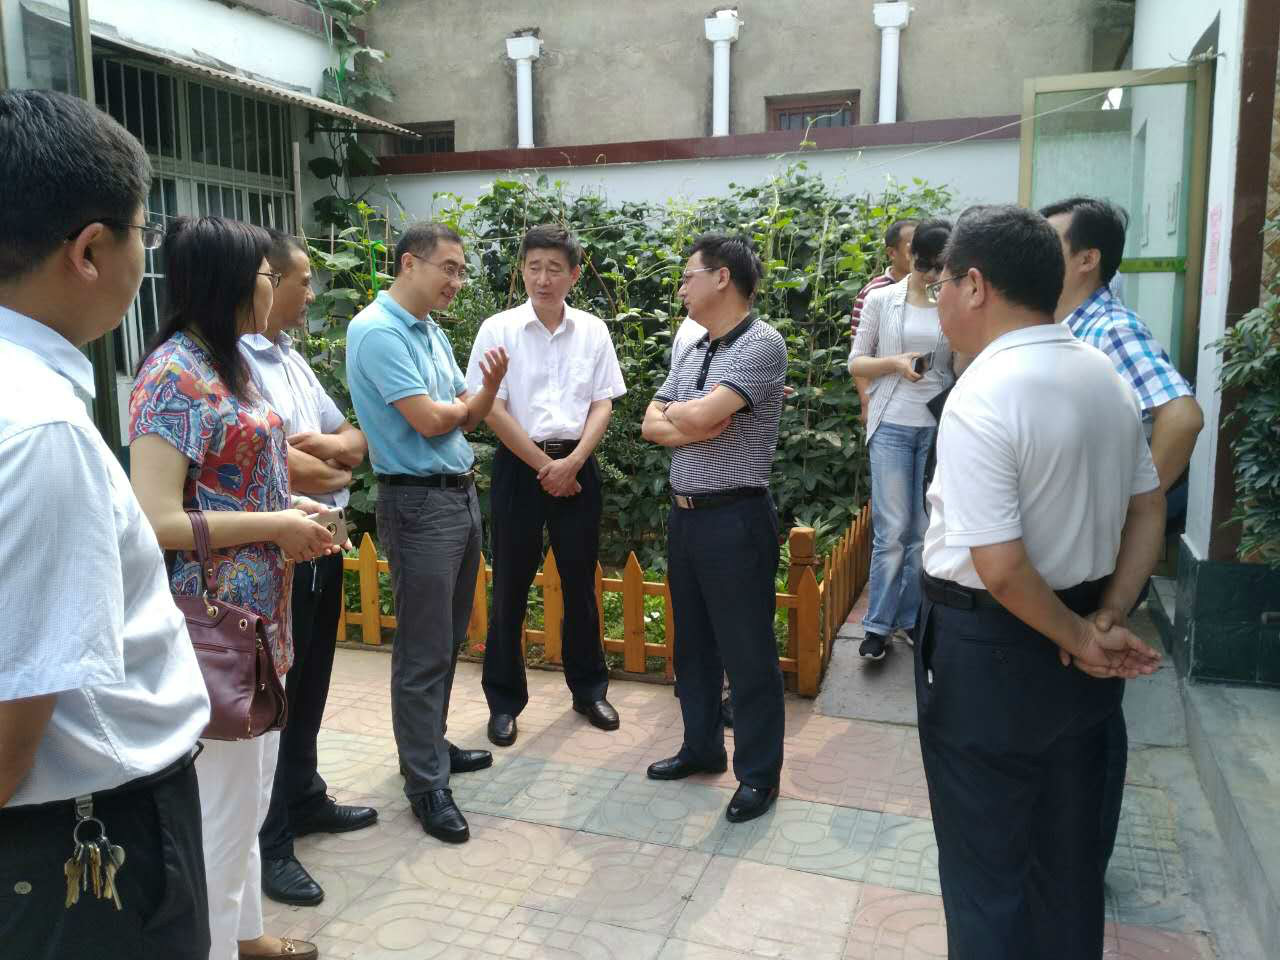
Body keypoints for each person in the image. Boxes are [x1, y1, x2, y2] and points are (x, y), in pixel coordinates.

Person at [917, 204, 1166, 959]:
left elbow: (1000, 566)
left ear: (976, 285)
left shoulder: (985, 391)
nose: (938, 298)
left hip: (992, 651)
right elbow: (1149, 507)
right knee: (1067, 866)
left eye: (942, 282)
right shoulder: (1102, 374)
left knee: (985, 872)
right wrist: (1106, 617)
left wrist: (1080, 639)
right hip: (1082, 637)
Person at [0, 87, 212, 960]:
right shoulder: (39, 428)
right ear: (89, 250)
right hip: (83, 842)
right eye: (141, 232)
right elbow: (15, 716)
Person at [130, 216, 338, 960]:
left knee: (250, 797)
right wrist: (274, 524)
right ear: (230, 282)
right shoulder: (173, 377)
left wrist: (292, 507)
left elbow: (231, 480)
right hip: (212, 625)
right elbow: (157, 519)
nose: (275, 287)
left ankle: (245, 935)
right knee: (220, 815)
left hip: (260, 621)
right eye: (266, 275)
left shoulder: (229, 363)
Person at [1040, 195, 1205, 872]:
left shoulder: (1107, 328)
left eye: (1050, 242)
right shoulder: (1059, 325)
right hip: (1072, 552)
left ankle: (1083, 864)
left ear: (1088, 259)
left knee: (1089, 711)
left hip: (1097, 555)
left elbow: (1182, 416)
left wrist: (1135, 510)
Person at [345, 222, 508, 845]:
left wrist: (478, 398)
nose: (456, 282)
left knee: (447, 637)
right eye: (449, 268)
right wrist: (472, 403)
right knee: (421, 649)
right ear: (409, 263)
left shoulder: (430, 331)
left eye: (461, 271)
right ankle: (425, 783)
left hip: (457, 495)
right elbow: (433, 420)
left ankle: (430, 747)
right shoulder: (377, 331)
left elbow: (464, 412)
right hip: (417, 503)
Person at [240, 230, 376, 908]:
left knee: (316, 672)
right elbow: (273, 460)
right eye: (300, 281)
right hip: (278, 546)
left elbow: (354, 438)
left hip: (326, 534)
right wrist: (331, 465)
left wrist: (328, 455)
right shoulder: (233, 361)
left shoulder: (293, 358)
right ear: (264, 281)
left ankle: (305, 793)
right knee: (276, 688)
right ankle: (270, 840)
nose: (310, 293)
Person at [641, 233, 788, 825]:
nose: (681, 287)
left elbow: (695, 415)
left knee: (747, 651)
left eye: (688, 276)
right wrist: (695, 420)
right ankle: (700, 747)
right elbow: (650, 423)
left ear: (722, 277)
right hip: (687, 516)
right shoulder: (694, 346)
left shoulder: (762, 342)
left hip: (736, 517)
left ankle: (758, 775)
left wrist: (689, 416)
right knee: (694, 645)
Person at [466, 225, 626, 746]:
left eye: (555, 268)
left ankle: (589, 690)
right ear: (522, 270)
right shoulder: (498, 329)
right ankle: (503, 702)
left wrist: (573, 462)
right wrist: (544, 467)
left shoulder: (593, 331)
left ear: (574, 275)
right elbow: (491, 408)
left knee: (581, 584)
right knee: (510, 584)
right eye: (534, 267)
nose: (543, 278)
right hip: (521, 466)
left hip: (578, 466)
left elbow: (603, 402)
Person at [848, 219, 956, 661]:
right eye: (926, 265)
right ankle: (877, 626)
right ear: (911, 257)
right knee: (892, 530)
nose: (932, 276)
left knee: (923, 530)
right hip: (891, 421)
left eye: (940, 268)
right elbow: (856, 362)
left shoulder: (953, 300)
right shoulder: (881, 299)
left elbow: (959, 364)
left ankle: (910, 618)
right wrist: (894, 363)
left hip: (936, 424)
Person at [852, 219, 917, 427]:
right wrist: (866, 403)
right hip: (886, 400)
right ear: (892, 253)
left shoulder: (935, 288)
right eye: (911, 247)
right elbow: (859, 351)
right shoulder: (874, 292)